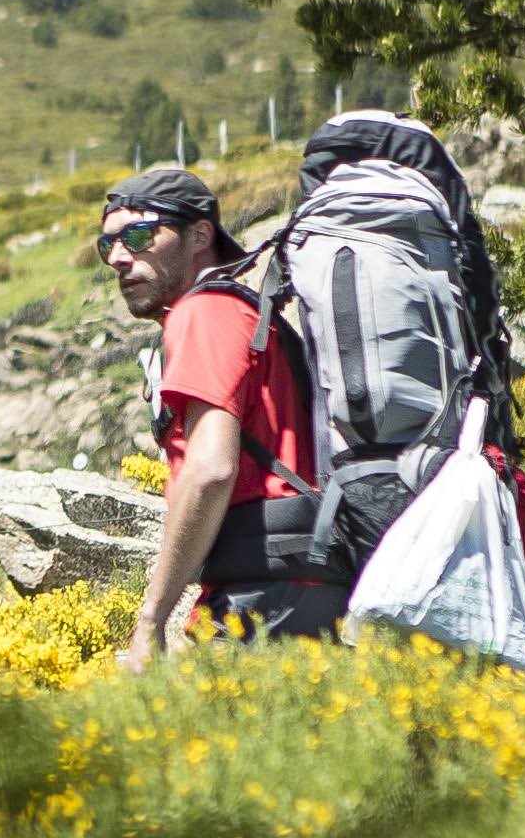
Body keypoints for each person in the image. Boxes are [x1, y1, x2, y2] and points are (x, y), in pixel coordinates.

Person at [94, 165, 340, 667]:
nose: (119, 257)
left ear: (200, 234)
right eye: (108, 246)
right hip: (296, 583)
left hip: (266, 593)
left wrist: (151, 621)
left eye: (138, 235)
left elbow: (210, 470)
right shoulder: (238, 313)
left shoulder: (204, 313)